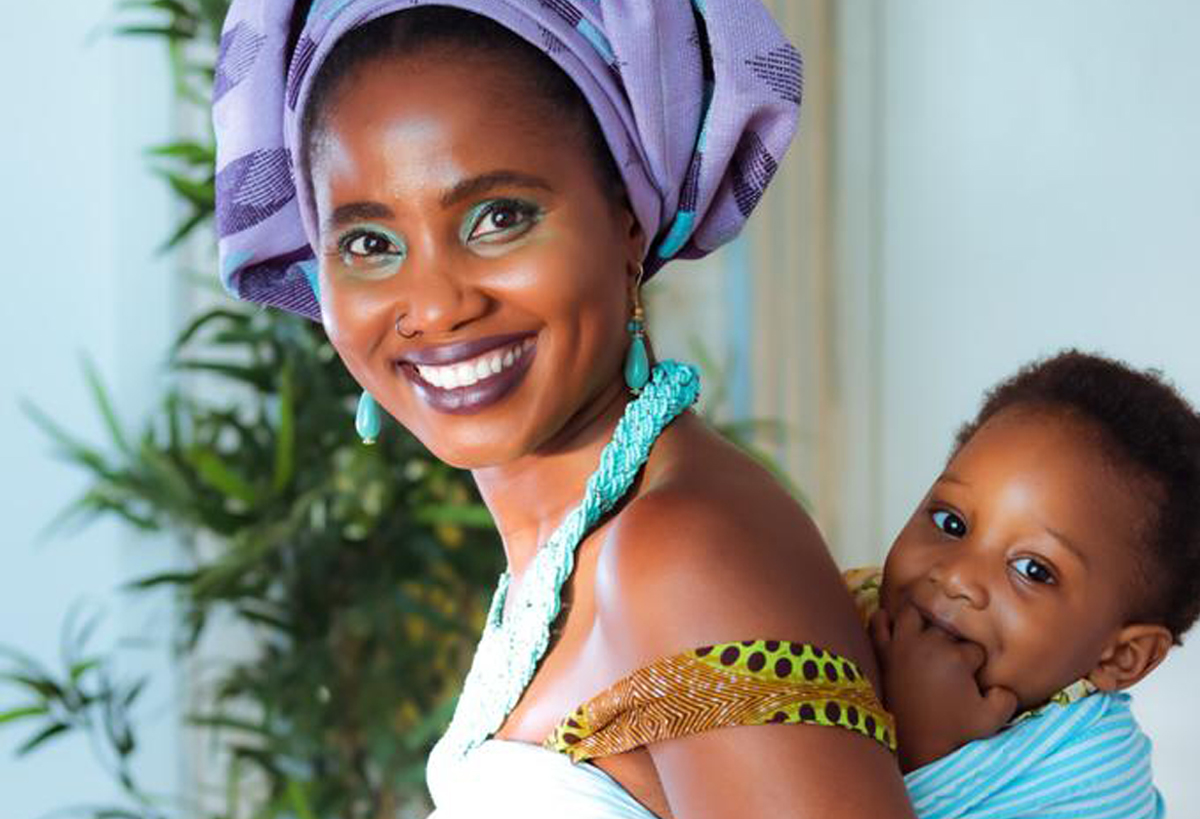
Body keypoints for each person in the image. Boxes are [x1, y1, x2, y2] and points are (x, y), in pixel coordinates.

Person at [213, 1, 916, 816]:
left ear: (627, 221)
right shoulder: (578, 549)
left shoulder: (678, 552)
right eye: (370, 243)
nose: (435, 306)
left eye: (499, 217)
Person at [847, 351, 1200, 818]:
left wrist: (928, 752)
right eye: (951, 522)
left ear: (1120, 657)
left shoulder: (1094, 776)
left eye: (1033, 570)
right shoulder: (854, 604)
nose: (957, 577)